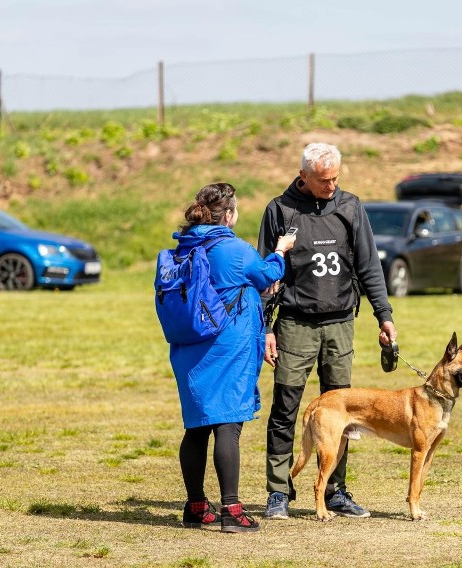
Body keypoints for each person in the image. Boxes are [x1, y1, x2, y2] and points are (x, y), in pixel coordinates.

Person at [257, 142, 398, 519]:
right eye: (323, 180)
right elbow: (267, 277)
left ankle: (335, 490)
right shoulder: (279, 210)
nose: (331, 185)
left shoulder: (350, 207)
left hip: (339, 324)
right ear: (303, 176)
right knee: (285, 407)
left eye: (335, 178)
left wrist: (383, 315)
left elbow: (369, 266)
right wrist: (265, 329)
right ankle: (278, 491)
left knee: (342, 412)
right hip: (294, 324)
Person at [168, 182, 296, 533]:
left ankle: (196, 506)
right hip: (228, 346)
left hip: (188, 346)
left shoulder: (185, 245)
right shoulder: (234, 248)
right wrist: (281, 250)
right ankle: (232, 510)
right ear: (228, 214)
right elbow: (268, 275)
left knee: (196, 427)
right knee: (228, 422)